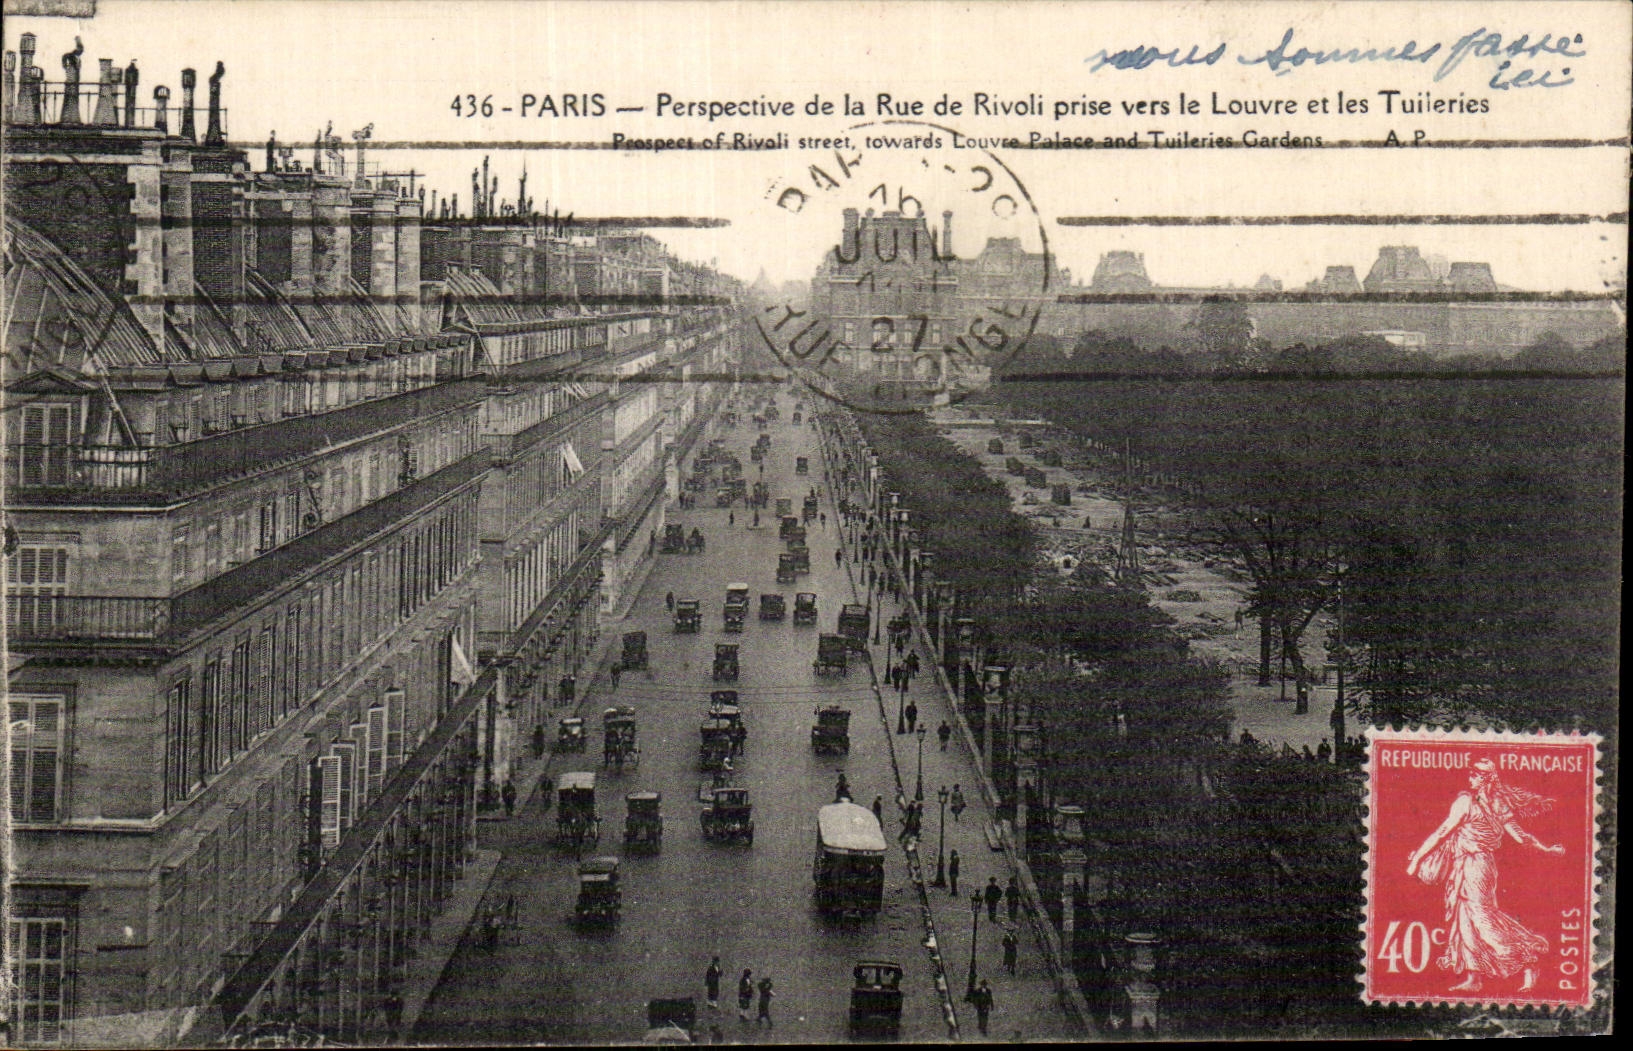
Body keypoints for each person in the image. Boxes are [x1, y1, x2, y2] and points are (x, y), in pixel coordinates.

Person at [1406, 757, 1563, 992]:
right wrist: (1546, 848)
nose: (1470, 776)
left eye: (1475, 774)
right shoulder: (1487, 802)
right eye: (1470, 772)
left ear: (1485, 778)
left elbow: (1443, 832)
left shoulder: (1471, 803)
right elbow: (1519, 836)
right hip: (1468, 865)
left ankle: (1529, 961)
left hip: (1477, 866)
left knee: (1483, 918)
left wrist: (1417, 859)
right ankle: (1474, 977)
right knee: (1464, 918)